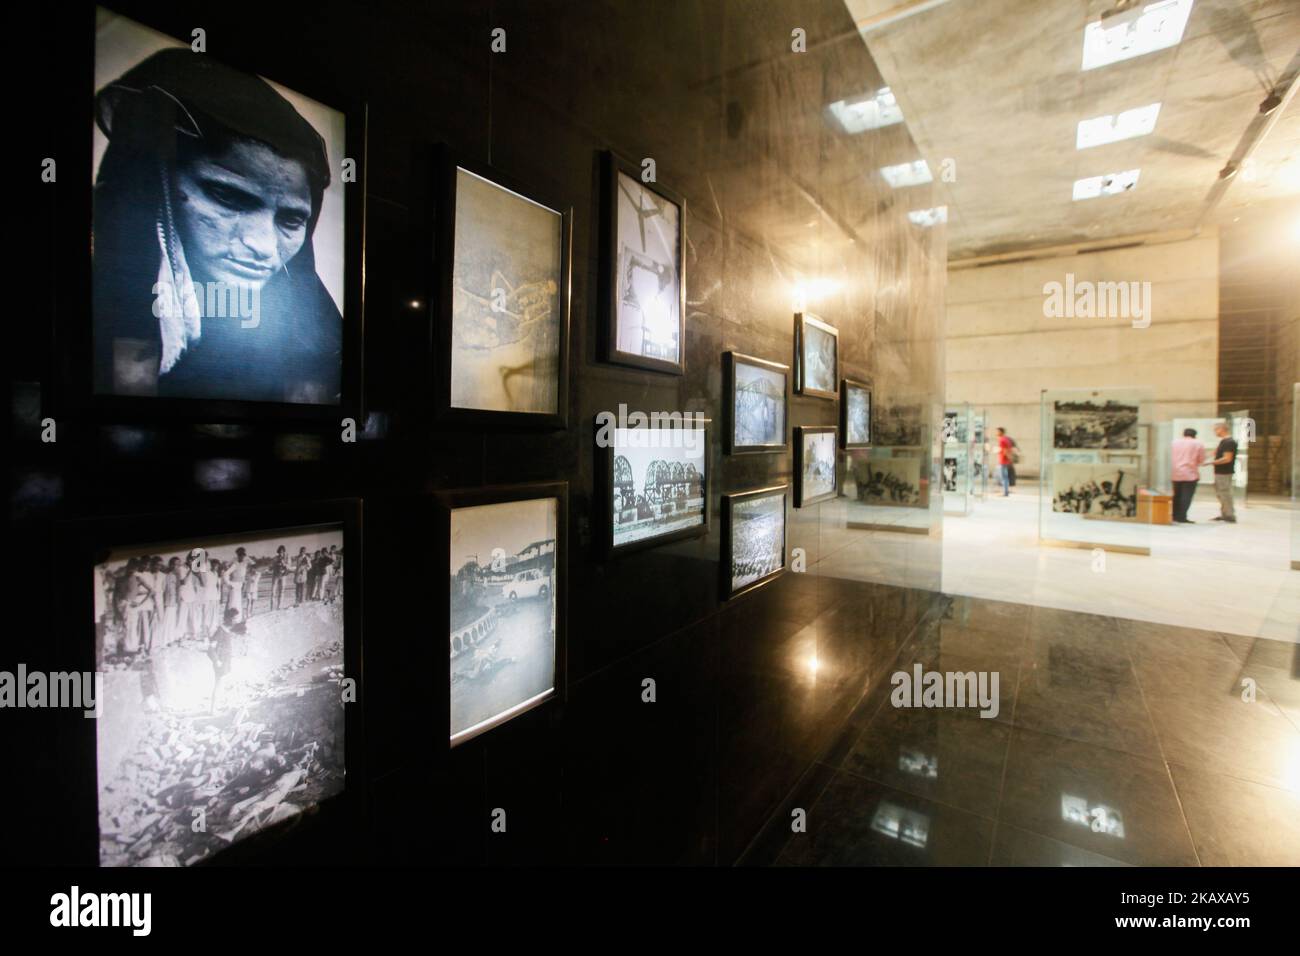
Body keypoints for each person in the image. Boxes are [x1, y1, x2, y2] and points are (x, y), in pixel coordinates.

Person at [91, 49, 341, 402]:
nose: (264, 246)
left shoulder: (307, 327)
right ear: (156, 182)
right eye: (227, 196)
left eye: (291, 219)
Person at [1170, 427, 1206, 524]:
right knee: (1186, 496)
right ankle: (1181, 516)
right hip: (1190, 474)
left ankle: (1173, 515)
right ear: (1195, 435)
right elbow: (1201, 460)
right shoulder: (1198, 443)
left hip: (1175, 473)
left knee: (1176, 495)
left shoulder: (1174, 442)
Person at [1210, 422, 1238, 523]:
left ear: (1222, 429)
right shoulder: (1223, 442)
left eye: (1216, 430)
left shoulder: (1229, 442)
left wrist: (1211, 462)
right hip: (1220, 471)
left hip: (1224, 472)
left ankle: (1230, 515)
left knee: (1225, 493)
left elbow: (1227, 458)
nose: (1215, 432)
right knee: (1220, 493)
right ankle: (1225, 513)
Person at [270, 545, 289, 611]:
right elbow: (270, 567)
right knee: (273, 591)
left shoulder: (286, 558)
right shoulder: (275, 558)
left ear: (284, 552)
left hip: (283, 576)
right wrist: (274, 565)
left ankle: (280, 606)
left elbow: (288, 567)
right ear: (278, 552)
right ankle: (272, 607)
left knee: (282, 591)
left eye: (282, 551)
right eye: (280, 552)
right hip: (275, 576)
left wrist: (283, 563)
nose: (281, 553)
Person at [995, 427, 1013, 496]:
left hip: (1003, 461)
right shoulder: (1006, 439)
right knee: (1004, 476)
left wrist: (998, 451)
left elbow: (1005, 450)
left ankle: (1005, 492)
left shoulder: (1002, 440)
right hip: (1005, 461)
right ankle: (1005, 491)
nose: (996, 433)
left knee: (1004, 477)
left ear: (1001, 432)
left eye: (997, 431)